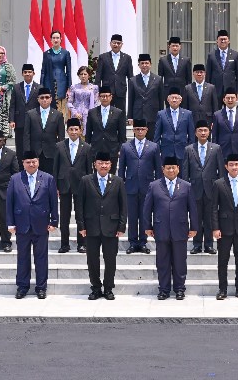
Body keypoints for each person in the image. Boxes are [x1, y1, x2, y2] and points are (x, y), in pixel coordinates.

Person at [143, 157, 200, 300]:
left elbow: (192, 208)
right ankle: (163, 289)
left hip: (180, 229)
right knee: (162, 261)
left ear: (178, 169)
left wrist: (194, 227)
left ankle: (180, 289)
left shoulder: (186, 186)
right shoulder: (154, 185)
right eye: (168, 168)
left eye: (173, 167)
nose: (171, 170)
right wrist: (147, 226)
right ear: (162, 169)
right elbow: (147, 208)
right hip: (160, 228)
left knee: (180, 261)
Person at [7, 150, 59, 299]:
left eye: (34, 161)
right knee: (22, 257)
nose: (31, 164)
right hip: (21, 224)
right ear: (23, 163)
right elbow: (9, 202)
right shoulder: (15, 179)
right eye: (28, 162)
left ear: (38, 162)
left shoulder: (48, 178)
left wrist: (54, 220)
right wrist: (10, 223)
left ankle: (41, 287)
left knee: (41, 257)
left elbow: (53, 202)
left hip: (41, 224)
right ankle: (22, 287)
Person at [76, 152, 127, 300]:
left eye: (106, 163)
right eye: (100, 163)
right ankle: (96, 288)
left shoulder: (118, 181)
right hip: (91, 226)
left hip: (111, 227)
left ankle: (109, 288)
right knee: (92, 259)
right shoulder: (86, 180)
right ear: (95, 165)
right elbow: (79, 205)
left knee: (110, 259)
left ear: (111, 165)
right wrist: (81, 226)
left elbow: (123, 205)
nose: (103, 166)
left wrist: (121, 226)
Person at [212, 154, 238, 300]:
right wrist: (215, 228)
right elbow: (214, 208)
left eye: (236, 164)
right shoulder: (219, 184)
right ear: (226, 166)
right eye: (231, 164)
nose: (234, 167)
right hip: (224, 229)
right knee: (223, 260)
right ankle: (222, 289)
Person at [117, 119, 162, 254]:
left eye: (142, 129)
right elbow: (121, 168)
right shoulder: (126, 146)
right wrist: (121, 184)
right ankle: (132, 242)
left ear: (147, 130)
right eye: (137, 129)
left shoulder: (153, 147)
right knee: (132, 215)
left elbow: (158, 169)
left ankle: (143, 242)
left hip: (147, 186)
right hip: (130, 185)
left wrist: (158, 186)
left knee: (145, 215)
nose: (140, 131)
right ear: (134, 130)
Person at [182, 120, 223, 255]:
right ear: (196, 133)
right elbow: (185, 171)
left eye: (205, 130)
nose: (203, 133)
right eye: (200, 130)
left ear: (209, 132)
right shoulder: (189, 149)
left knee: (210, 217)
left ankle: (209, 245)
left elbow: (221, 171)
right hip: (195, 188)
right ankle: (197, 244)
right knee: (196, 217)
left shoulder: (216, 148)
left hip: (211, 188)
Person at [54, 118, 93, 253]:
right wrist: (56, 185)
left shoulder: (87, 147)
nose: (74, 132)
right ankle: (64, 244)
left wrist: (89, 186)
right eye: (71, 129)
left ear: (81, 131)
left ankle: (82, 243)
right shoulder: (59, 146)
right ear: (67, 131)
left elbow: (89, 170)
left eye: (76, 129)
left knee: (80, 215)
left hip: (81, 185)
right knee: (64, 216)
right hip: (64, 184)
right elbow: (56, 167)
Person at [85, 85, 126, 171]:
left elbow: (122, 134)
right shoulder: (92, 112)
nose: (105, 98)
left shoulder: (118, 113)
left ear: (111, 97)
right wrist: (88, 147)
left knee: (111, 176)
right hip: (96, 148)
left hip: (112, 149)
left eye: (107, 96)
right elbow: (88, 133)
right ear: (99, 97)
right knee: (97, 176)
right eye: (102, 96)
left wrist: (120, 149)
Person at [24, 86, 66, 169]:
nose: (44, 100)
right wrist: (27, 153)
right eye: (42, 97)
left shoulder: (58, 115)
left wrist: (60, 153)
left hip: (51, 152)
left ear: (51, 99)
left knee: (50, 178)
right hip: (35, 153)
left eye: (47, 97)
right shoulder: (30, 114)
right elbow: (26, 135)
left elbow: (61, 136)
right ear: (38, 99)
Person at [127, 54, 165, 139]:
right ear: (139, 65)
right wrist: (130, 117)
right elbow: (130, 99)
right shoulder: (133, 80)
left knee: (152, 140)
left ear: (150, 64)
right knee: (138, 140)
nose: (144, 65)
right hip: (138, 115)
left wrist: (161, 115)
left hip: (153, 115)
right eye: (142, 63)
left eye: (147, 63)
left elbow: (161, 99)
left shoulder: (158, 79)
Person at [154, 86, 194, 166]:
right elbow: (157, 136)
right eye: (172, 98)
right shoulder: (161, 114)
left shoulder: (187, 114)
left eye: (176, 98)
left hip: (182, 151)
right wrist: (157, 151)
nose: (174, 100)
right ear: (168, 100)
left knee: (182, 176)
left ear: (180, 100)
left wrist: (190, 150)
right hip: (166, 151)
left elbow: (191, 135)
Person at [95, 34, 133, 115]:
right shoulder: (103, 57)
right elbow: (98, 75)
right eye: (114, 43)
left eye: (118, 43)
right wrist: (98, 91)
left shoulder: (127, 58)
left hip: (121, 91)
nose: (116, 45)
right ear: (110, 43)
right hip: (107, 92)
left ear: (122, 44)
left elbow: (130, 77)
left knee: (121, 114)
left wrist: (132, 91)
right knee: (107, 114)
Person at [212, 87, 238, 158]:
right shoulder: (217, 115)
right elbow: (215, 136)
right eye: (228, 98)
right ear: (224, 99)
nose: (230, 100)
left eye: (232, 98)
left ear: (237, 99)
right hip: (223, 150)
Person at [41, 30, 72, 113]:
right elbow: (43, 71)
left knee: (60, 109)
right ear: (51, 40)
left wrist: (69, 87)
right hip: (48, 82)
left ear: (61, 39)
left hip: (61, 82)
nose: (55, 40)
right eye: (54, 38)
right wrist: (41, 85)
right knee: (49, 105)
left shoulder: (66, 53)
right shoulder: (46, 53)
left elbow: (68, 71)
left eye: (57, 38)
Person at [206, 30, 238, 99]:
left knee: (229, 109)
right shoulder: (211, 55)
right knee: (216, 109)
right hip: (215, 89)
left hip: (230, 90)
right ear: (217, 41)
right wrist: (208, 91)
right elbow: (208, 75)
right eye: (221, 39)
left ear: (228, 41)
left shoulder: (235, 55)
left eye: (225, 39)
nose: (223, 41)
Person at [65, 66, 99, 135]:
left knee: (87, 136)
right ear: (79, 76)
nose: (83, 76)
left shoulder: (94, 87)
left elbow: (96, 103)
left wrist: (91, 113)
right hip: (76, 114)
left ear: (89, 75)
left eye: (85, 74)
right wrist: (75, 113)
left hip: (89, 115)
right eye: (81, 74)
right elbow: (69, 103)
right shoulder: (74, 87)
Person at [10, 63, 40, 136]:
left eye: (29, 72)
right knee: (20, 145)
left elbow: (40, 106)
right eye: (25, 72)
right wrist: (11, 120)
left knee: (33, 145)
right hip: (19, 121)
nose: (27, 74)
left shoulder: (39, 88)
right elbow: (12, 105)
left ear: (33, 73)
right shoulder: (16, 87)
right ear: (22, 74)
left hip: (34, 122)